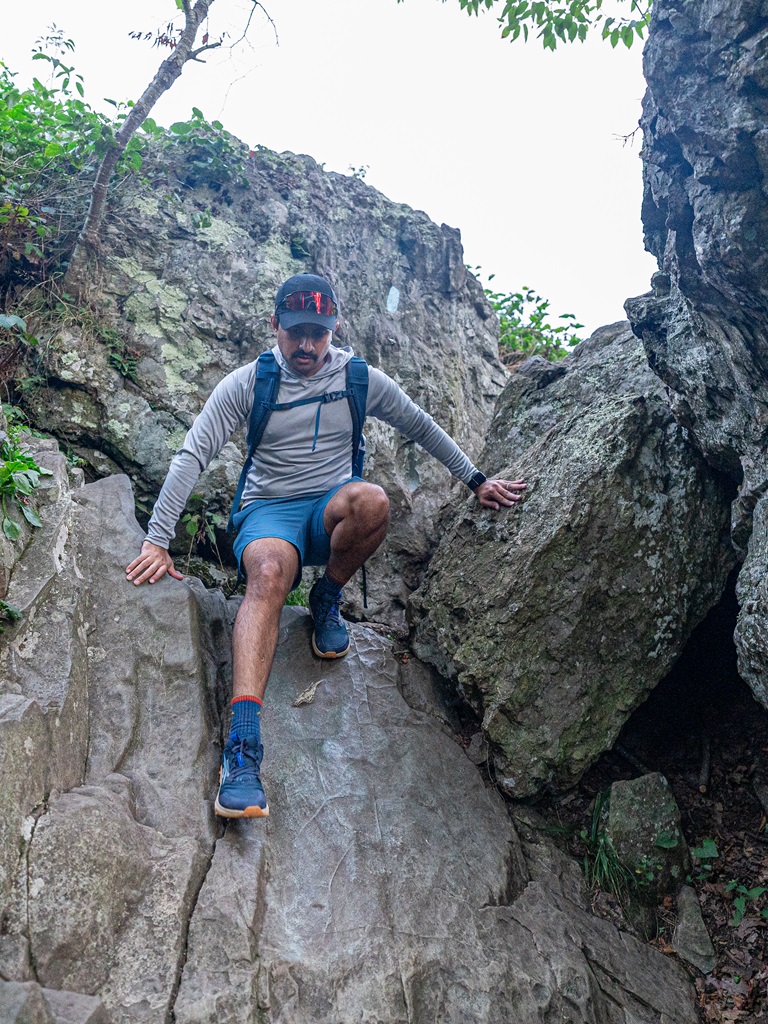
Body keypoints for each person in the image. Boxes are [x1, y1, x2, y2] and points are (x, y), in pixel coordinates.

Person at [126, 273, 525, 820]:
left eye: (318, 332)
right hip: (268, 514)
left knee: (374, 501)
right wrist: (157, 540)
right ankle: (243, 751)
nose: (307, 345)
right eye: (296, 333)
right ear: (276, 328)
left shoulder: (358, 379)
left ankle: (326, 597)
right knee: (268, 573)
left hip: (330, 511)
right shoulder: (248, 383)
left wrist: (476, 479)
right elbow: (192, 454)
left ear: (333, 329)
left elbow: (419, 424)